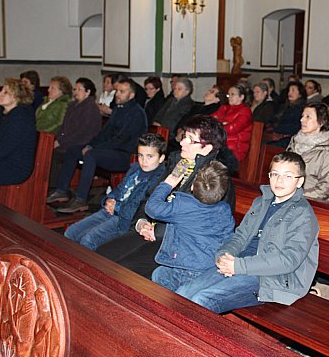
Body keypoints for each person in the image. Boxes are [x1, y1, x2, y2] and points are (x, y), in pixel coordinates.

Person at [96, 115, 238, 279]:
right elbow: (150, 196)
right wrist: (141, 222)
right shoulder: (179, 164)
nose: (181, 142)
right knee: (102, 254)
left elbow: (201, 225)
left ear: (206, 148)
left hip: (181, 246)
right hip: (152, 231)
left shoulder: (214, 180)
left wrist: (157, 231)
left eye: (190, 140)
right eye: (184, 136)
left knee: (123, 270)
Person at [176, 151, 319, 313]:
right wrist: (224, 255)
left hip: (270, 279)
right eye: (275, 174)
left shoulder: (303, 214)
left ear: (300, 182)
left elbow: (288, 260)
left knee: (202, 300)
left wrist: (238, 266)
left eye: (288, 176)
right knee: (183, 294)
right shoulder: (261, 202)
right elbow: (241, 236)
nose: (280, 180)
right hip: (239, 265)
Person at [47, 79, 148, 213]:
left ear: (131, 95)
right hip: (111, 151)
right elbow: (105, 133)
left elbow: (122, 139)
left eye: (122, 92)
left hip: (127, 155)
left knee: (91, 155)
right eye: (117, 91)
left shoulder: (136, 113)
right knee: (73, 151)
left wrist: (95, 148)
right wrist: (90, 144)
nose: (117, 94)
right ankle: (61, 190)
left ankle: (81, 199)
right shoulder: (119, 109)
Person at [64, 133, 166, 250]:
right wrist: (109, 199)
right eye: (140, 155)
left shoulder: (158, 179)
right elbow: (119, 189)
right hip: (110, 211)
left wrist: (116, 207)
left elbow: (138, 206)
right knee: (71, 232)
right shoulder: (135, 169)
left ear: (161, 158)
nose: (144, 161)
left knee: (88, 240)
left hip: (124, 220)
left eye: (150, 156)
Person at [149, 160, 235, 291]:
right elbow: (228, 237)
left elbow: (152, 208)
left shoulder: (183, 205)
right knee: (160, 274)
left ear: (192, 186)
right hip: (208, 270)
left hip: (183, 268)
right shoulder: (225, 210)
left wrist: (168, 184)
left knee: (159, 275)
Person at [51, 77, 102, 187]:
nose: (76, 92)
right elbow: (63, 127)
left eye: (79, 89)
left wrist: (61, 142)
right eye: (75, 89)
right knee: (49, 152)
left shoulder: (90, 108)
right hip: (69, 140)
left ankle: (56, 187)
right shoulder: (72, 106)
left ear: (87, 92)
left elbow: (82, 131)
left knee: (56, 154)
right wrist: (56, 139)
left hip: (82, 142)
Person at [287, 103, 329, 201]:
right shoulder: (295, 141)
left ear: (321, 122)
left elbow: (325, 189)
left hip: (311, 202)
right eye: (302, 116)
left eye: (308, 117)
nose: (302, 120)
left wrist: (294, 196)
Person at [211, 85, 253, 162]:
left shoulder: (245, 111)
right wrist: (223, 124)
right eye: (228, 95)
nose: (229, 97)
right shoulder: (224, 108)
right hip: (220, 145)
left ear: (241, 97)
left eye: (232, 94)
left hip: (234, 149)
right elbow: (210, 121)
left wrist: (219, 124)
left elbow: (233, 128)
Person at [271, 81, 307, 147]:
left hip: (290, 139)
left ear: (300, 94)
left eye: (293, 90)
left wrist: (277, 129)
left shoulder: (301, 109)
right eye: (289, 91)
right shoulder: (284, 106)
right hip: (278, 135)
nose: (290, 93)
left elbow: (296, 127)